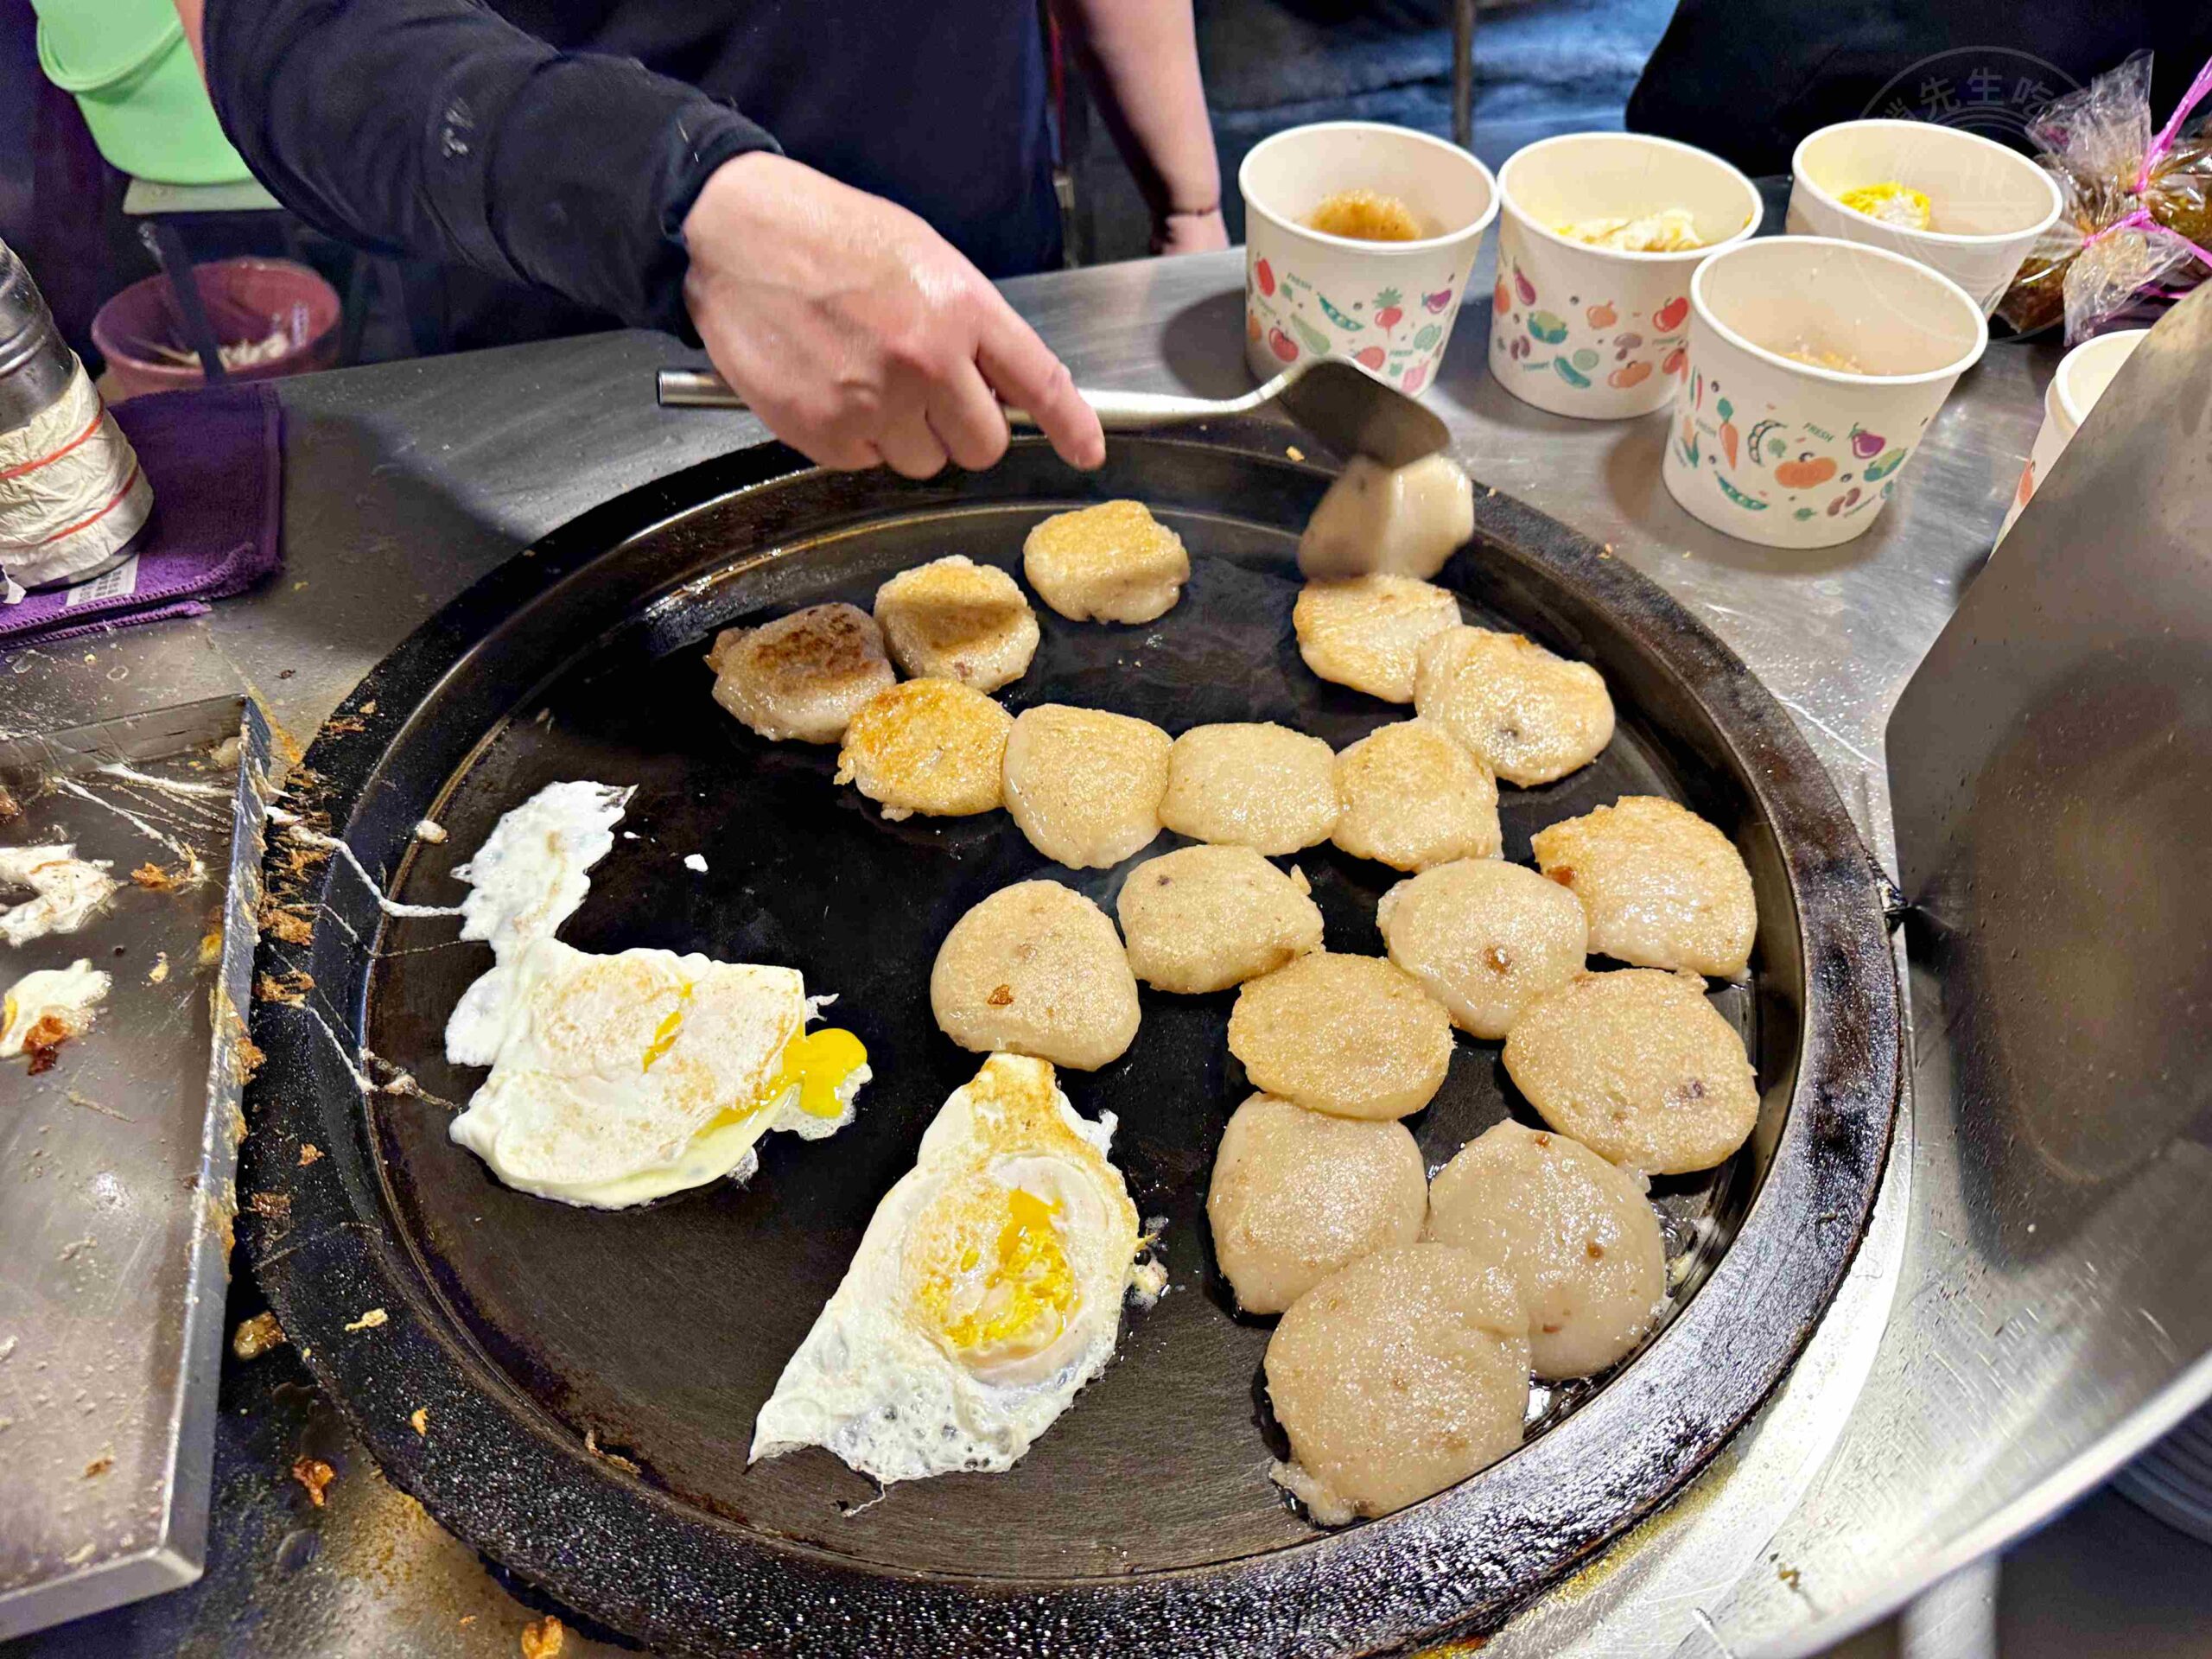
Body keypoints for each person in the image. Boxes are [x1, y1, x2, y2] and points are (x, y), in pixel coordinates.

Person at [175, 0, 1230, 477]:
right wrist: (676, 202)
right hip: (580, 373)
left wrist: (1188, 204)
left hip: (984, 294)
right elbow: (285, 31)